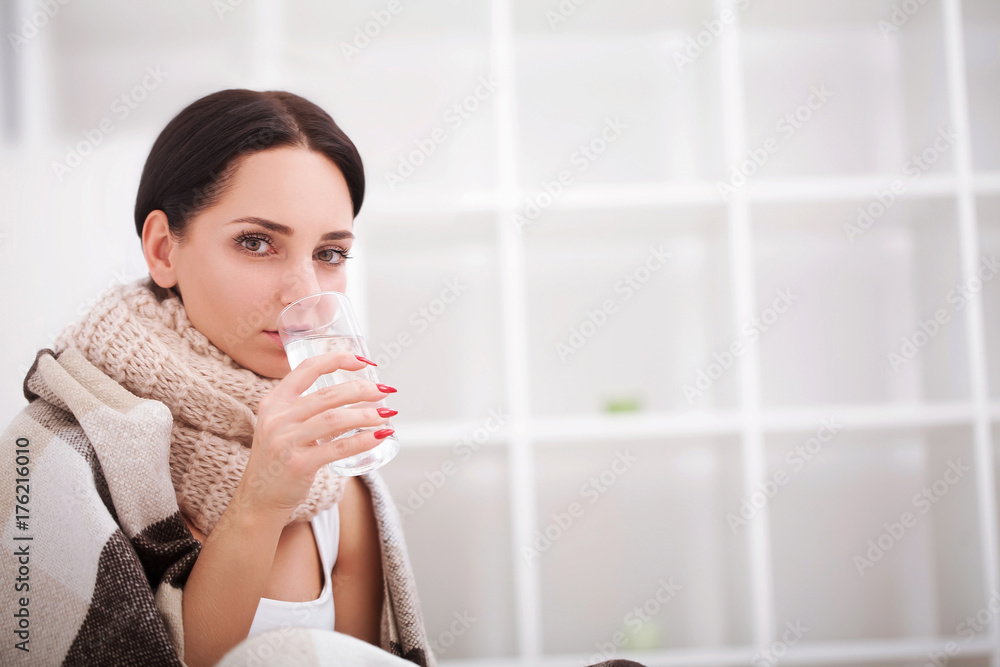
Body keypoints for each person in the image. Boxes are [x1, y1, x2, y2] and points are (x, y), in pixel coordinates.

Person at [0, 89, 434, 667]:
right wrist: (260, 500)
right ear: (163, 250)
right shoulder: (53, 458)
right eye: (257, 243)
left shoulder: (336, 481)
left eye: (330, 254)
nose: (305, 291)